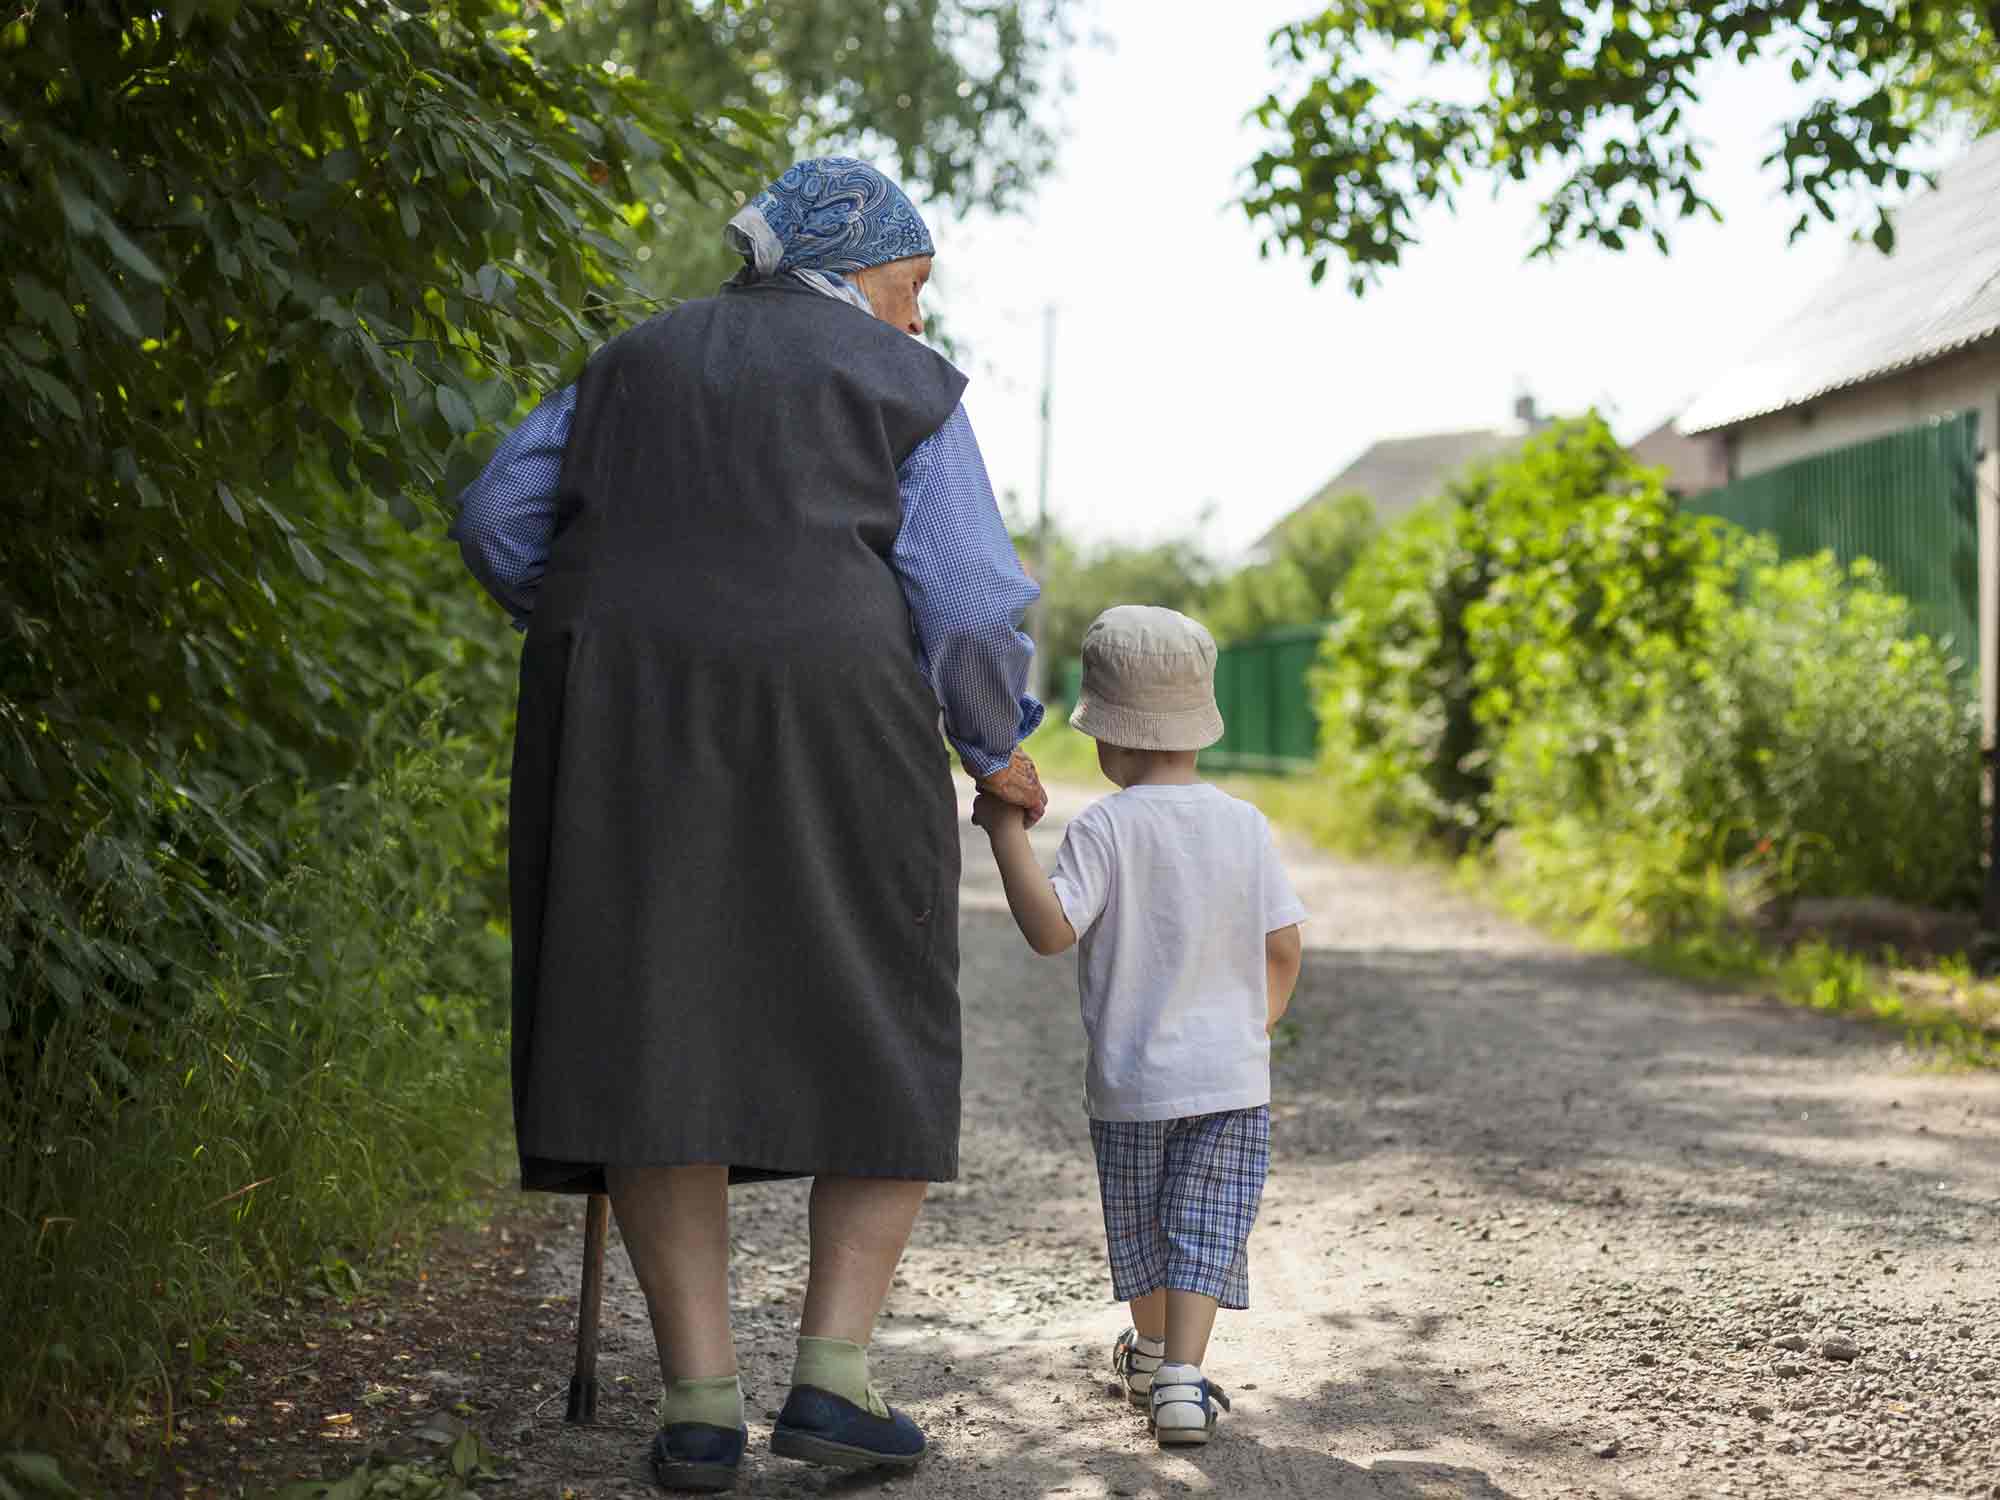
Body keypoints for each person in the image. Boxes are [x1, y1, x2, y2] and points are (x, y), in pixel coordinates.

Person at [449, 157, 1049, 1493]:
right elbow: (963, 602)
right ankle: (832, 1384)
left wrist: (622, 612)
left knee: (646, 1007)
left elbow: (497, 518)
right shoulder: (911, 385)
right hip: (842, 712)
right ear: (862, 264)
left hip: (626, 714)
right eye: (913, 282)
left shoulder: (631, 360)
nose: (915, 311)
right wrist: (996, 743)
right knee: (877, 1001)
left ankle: (700, 1409)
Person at [971, 605, 1305, 1447]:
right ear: (1198, 726)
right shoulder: (1245, 824)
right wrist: (1252, 1026)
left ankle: (1154, 1355)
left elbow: (1051, 931)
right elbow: (1285, 947)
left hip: (1131, 1080)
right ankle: (1182, 1382)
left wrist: (1006, 832)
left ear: (1108, 739)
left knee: (1145, 1225)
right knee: (1204, 1223)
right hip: (1229, 1076)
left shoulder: (1106, 827)